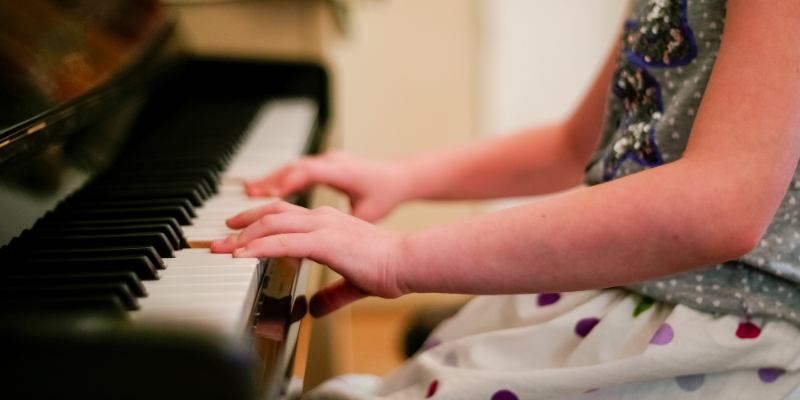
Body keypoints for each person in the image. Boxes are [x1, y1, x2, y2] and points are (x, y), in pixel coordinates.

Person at [212, 0, 800, 398]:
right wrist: (405, 178)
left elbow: (719, 206)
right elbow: (578, 146)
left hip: (721, 339)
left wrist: (401, 257)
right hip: (618, 294)